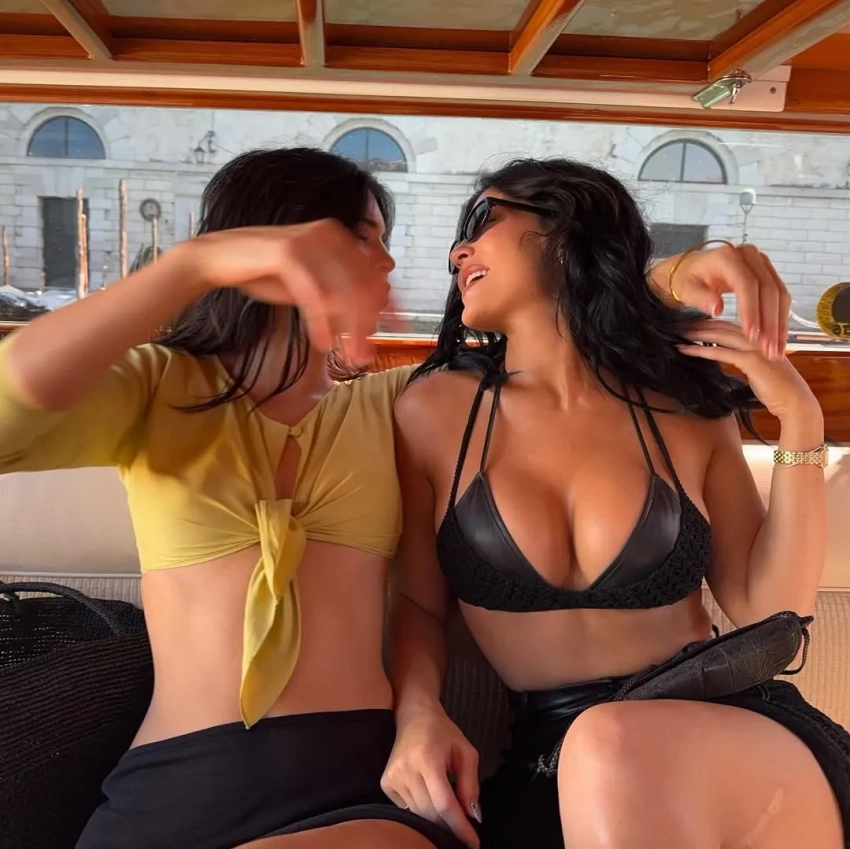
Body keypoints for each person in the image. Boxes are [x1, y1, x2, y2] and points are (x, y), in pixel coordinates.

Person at [0, 146, 802, 849]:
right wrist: (192, 264)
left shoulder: (396, 405)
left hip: (354, 782)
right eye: (366, 239)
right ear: (271, 245)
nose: (393, 265)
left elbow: (559, 335)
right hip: (173, 779)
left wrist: (666, 274)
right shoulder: (156, 391)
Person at [382, 158, 850, 849]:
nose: (459, 251)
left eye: (485, 220)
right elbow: (419, 606)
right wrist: (417, 713)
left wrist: (801, 422)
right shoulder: (431, 412)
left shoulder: (685, 408)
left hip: (719, 724)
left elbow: (768, 611)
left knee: (607, 739)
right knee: (600, 743)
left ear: (567, 232)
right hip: (552, 759)